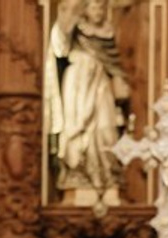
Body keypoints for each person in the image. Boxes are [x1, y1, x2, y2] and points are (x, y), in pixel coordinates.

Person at [45, 0, 130, 200]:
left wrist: (118, 80)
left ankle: (107, 174)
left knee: (106, 127)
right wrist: (69, 12)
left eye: (101, 7)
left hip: (100, 83)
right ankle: (77, 172)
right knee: (77, 126)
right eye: (93, 7)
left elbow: (114, 63)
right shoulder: (75, 27)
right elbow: (59, 45)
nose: (98, 12)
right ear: (85, 10)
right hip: (79, 81)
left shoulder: (108, 32)